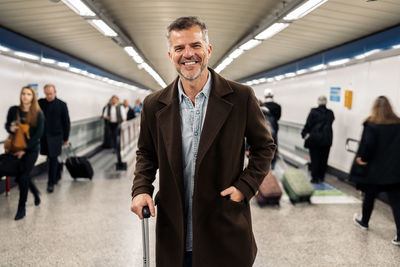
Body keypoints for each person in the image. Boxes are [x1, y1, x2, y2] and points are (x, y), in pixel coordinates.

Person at [130, 17, 276, 267]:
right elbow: (146, 152)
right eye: (179, 48)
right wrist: (141, 189)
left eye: (195, 45)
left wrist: (245, 187)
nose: (188, 54)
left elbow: (264, 147)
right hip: (175, 230)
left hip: (224, 226)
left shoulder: (240, 97)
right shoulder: (155, 105)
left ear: (208, 50)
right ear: (170, 54)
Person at [350, 96, 400, 246]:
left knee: (369, 197)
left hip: (374, 171)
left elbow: (369, 144)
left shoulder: (371, 124)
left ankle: (364, 222)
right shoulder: (398, 124)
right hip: (394, 172)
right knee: (397, 203)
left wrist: (362, 159)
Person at [5, 86, 44, 220]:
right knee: (23, 175)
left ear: (33, 97)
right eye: (23, 93)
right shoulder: (13, 110)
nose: (25, 96)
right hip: (15, 148)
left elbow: (38, 135)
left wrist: (25, 150)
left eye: (28, 94)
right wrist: (10, 128)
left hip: (31, 150)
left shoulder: (38, 114)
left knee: (23, 176)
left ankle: (21, 208)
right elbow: (7, 125)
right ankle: (36, 193)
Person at [39, 84, 70, 193]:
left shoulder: (62, 105)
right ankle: (57, 174)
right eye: (46, 94)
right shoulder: (40, 103)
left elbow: (66, 123)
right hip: (44, 137)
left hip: (56, 136)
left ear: (55, 93)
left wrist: (66, 138)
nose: (48, 96)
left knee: (52, 158)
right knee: (51, 157)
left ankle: (50, 183)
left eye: (50, 94)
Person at [301, 95, 334, 184]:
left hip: (315, 139)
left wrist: (304, 133)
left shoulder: (313, 112)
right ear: (326, 102)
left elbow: (308, 124)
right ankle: (321, 176)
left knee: (315, 159)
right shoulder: (330, 113)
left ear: (318, 102)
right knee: (324, 159)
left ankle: (315, 178)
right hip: (327, 140)